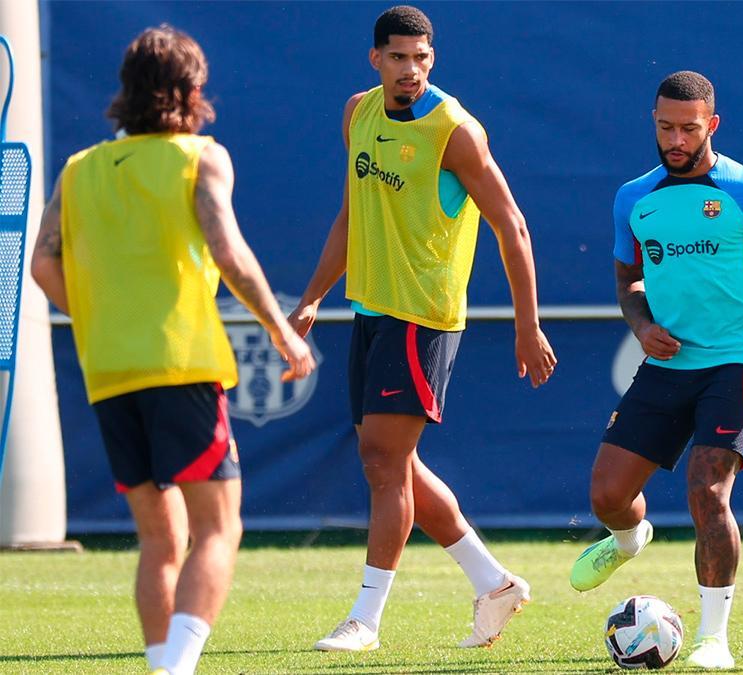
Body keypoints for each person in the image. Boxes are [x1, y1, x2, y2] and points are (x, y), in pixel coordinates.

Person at [30, 26, 315, 675]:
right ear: (190, 92)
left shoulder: (79, 170)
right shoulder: (201, 156)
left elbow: (44, 267)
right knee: (219, 527)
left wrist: (103, 313)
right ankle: (176, 667)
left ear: (126, 94)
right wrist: (280, 328)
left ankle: (164, 663)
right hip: (180, 363)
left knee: (160, 540)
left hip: (108, 370)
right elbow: (227, 248)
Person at [288, 5, 557, 652]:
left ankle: (366, 619)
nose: (411, 70)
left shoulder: (454, 130)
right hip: (372, 311)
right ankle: (493, 581)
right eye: (400, 57)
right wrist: (312, 298)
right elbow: (353, 212)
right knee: (392, 461)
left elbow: (512, 224)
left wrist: (528, 324)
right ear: (375, 58)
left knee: (384, 461)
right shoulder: (359, 112)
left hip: (424, 316)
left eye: (422, 58)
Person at [570, 71, 743, 670]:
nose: (676, 139)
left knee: (707, 491)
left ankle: (714, 637)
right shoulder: (634, 197)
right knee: (608, 495)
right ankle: (630, 537)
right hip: (666, 364)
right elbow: (627, 281)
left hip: (737, 361)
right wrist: (640, 325)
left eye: (690, 128)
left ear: (712, 125)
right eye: (666, 127)